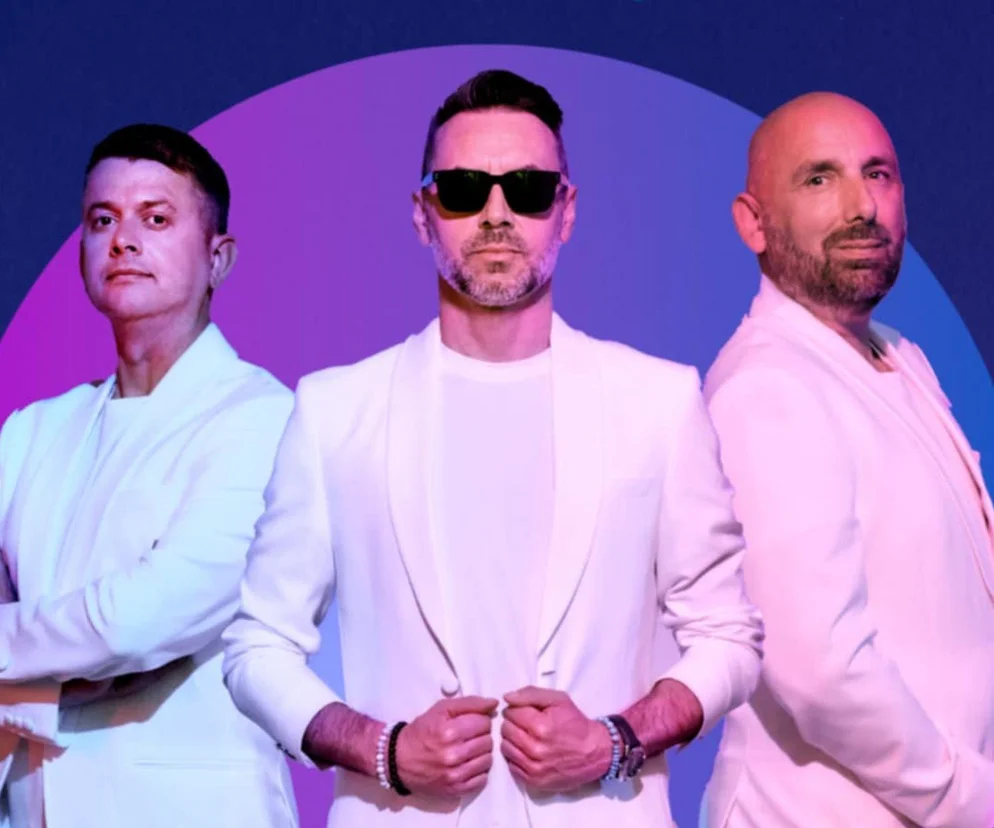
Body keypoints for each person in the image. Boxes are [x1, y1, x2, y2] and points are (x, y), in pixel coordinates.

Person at [223, 68, 763, 828]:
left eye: (529, 190)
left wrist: (612, 741)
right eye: (464, 189)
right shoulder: (335, 409)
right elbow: (257, 646)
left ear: (566, 211)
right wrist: (384, 750)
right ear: (423, 214)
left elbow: (728, 637)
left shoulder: (658, 401)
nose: (497, 213)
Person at [702, 92, 994, 828]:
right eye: (818, 179)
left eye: (878, 175)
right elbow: (821, 670)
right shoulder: (766, 389)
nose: (861, 206)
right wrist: (971, 799)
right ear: (753, 223)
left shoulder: (899, 356)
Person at [0, 124, 297, 828]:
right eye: (102, 220)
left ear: (218, 257)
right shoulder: (31, 430)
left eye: (156, 219)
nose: (123, 241)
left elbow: (138, 622)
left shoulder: (265, 416)